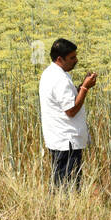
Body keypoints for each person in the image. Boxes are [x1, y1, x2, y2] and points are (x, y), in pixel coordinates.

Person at [38, 38, 96, 190]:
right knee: (68, 186)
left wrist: (81, 86)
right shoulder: (59, 79)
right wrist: (85, 88)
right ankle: (62, 211)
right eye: (72, 58)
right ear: (59, 59)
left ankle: (58, 210)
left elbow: (66, 100)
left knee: (61, 182)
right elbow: (71, 110)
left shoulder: (50, 73)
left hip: (59, 139)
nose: (76, 61)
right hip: (67, 141)